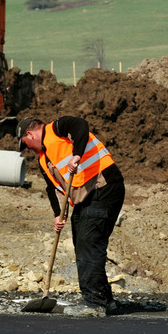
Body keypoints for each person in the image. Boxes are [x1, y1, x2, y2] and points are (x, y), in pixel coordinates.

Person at [17, 115, 126, 317]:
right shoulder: (44, 160)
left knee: (89, 240)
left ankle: (94, 303)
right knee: (82, 240)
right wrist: (59, 215)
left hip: (104, 185)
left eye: (26, 144)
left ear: (30, 133)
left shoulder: (57, 128)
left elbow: (81, 125)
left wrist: (77, 155)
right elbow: (52, 189)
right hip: (86, 196)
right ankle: (105, 299)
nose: (29, 149)